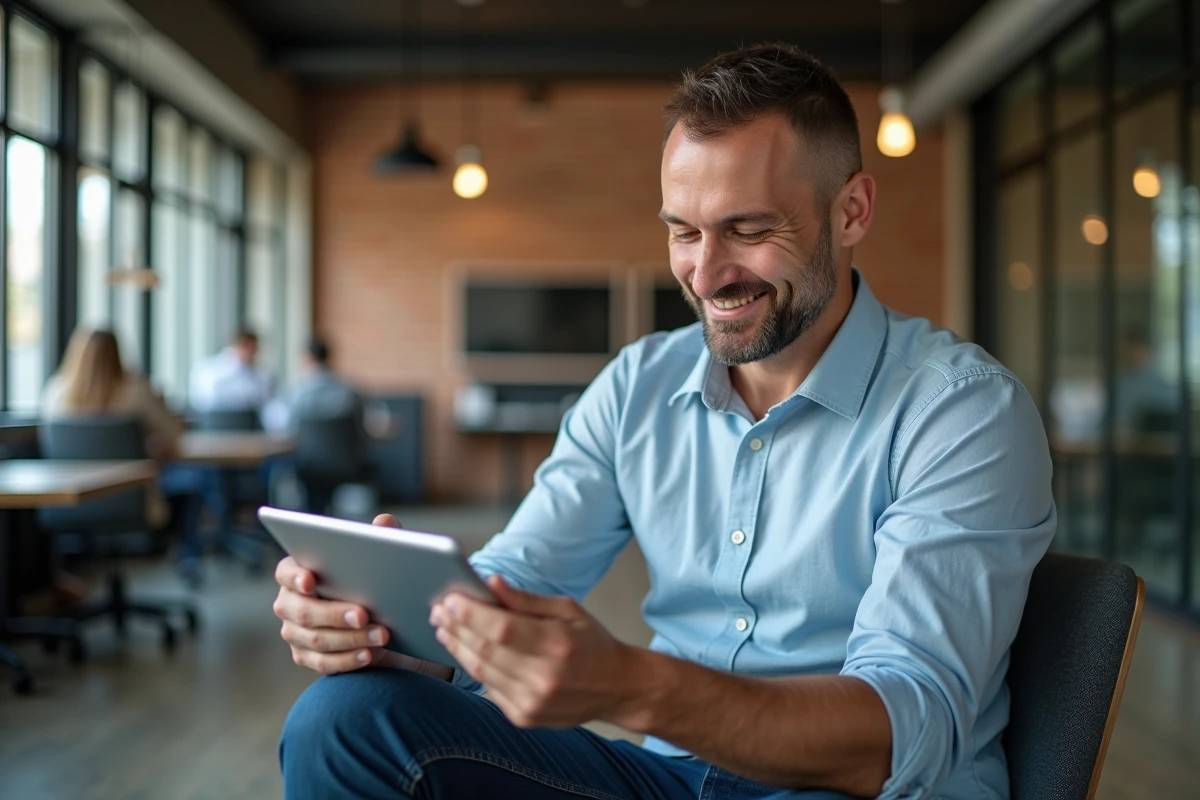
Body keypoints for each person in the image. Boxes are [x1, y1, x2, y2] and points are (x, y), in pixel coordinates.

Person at [273, 44, 1055, 800]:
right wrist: (390, 630)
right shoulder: (638, 385)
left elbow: (896, 736)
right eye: (684, 231)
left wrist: (628, 685)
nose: (705, 274)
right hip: (672, 777)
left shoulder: (961, 411)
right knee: (345, 720)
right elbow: (520, 582)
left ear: (851, 211)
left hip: (850, 788)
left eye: (748, 230)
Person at [42, 329, 209, 576]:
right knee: (194, 481)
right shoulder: (135, 390)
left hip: (69, 502)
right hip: (132, 501)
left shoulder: (55, 392)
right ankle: (189, 559)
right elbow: (174, 436)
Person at [264, 338, 369, 514]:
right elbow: (361, 430)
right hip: (346, 464)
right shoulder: (350, 392)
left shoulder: (297, 393)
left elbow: (286, 428)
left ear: (308, 358)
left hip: (308, 464)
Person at [188, 328, 274, 419]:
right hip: (215, 423)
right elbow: (206, 399)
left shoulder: (260, 375)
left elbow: (266, 403)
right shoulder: (208, 370)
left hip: (248, 425)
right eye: (250, 348)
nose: (254, 353)